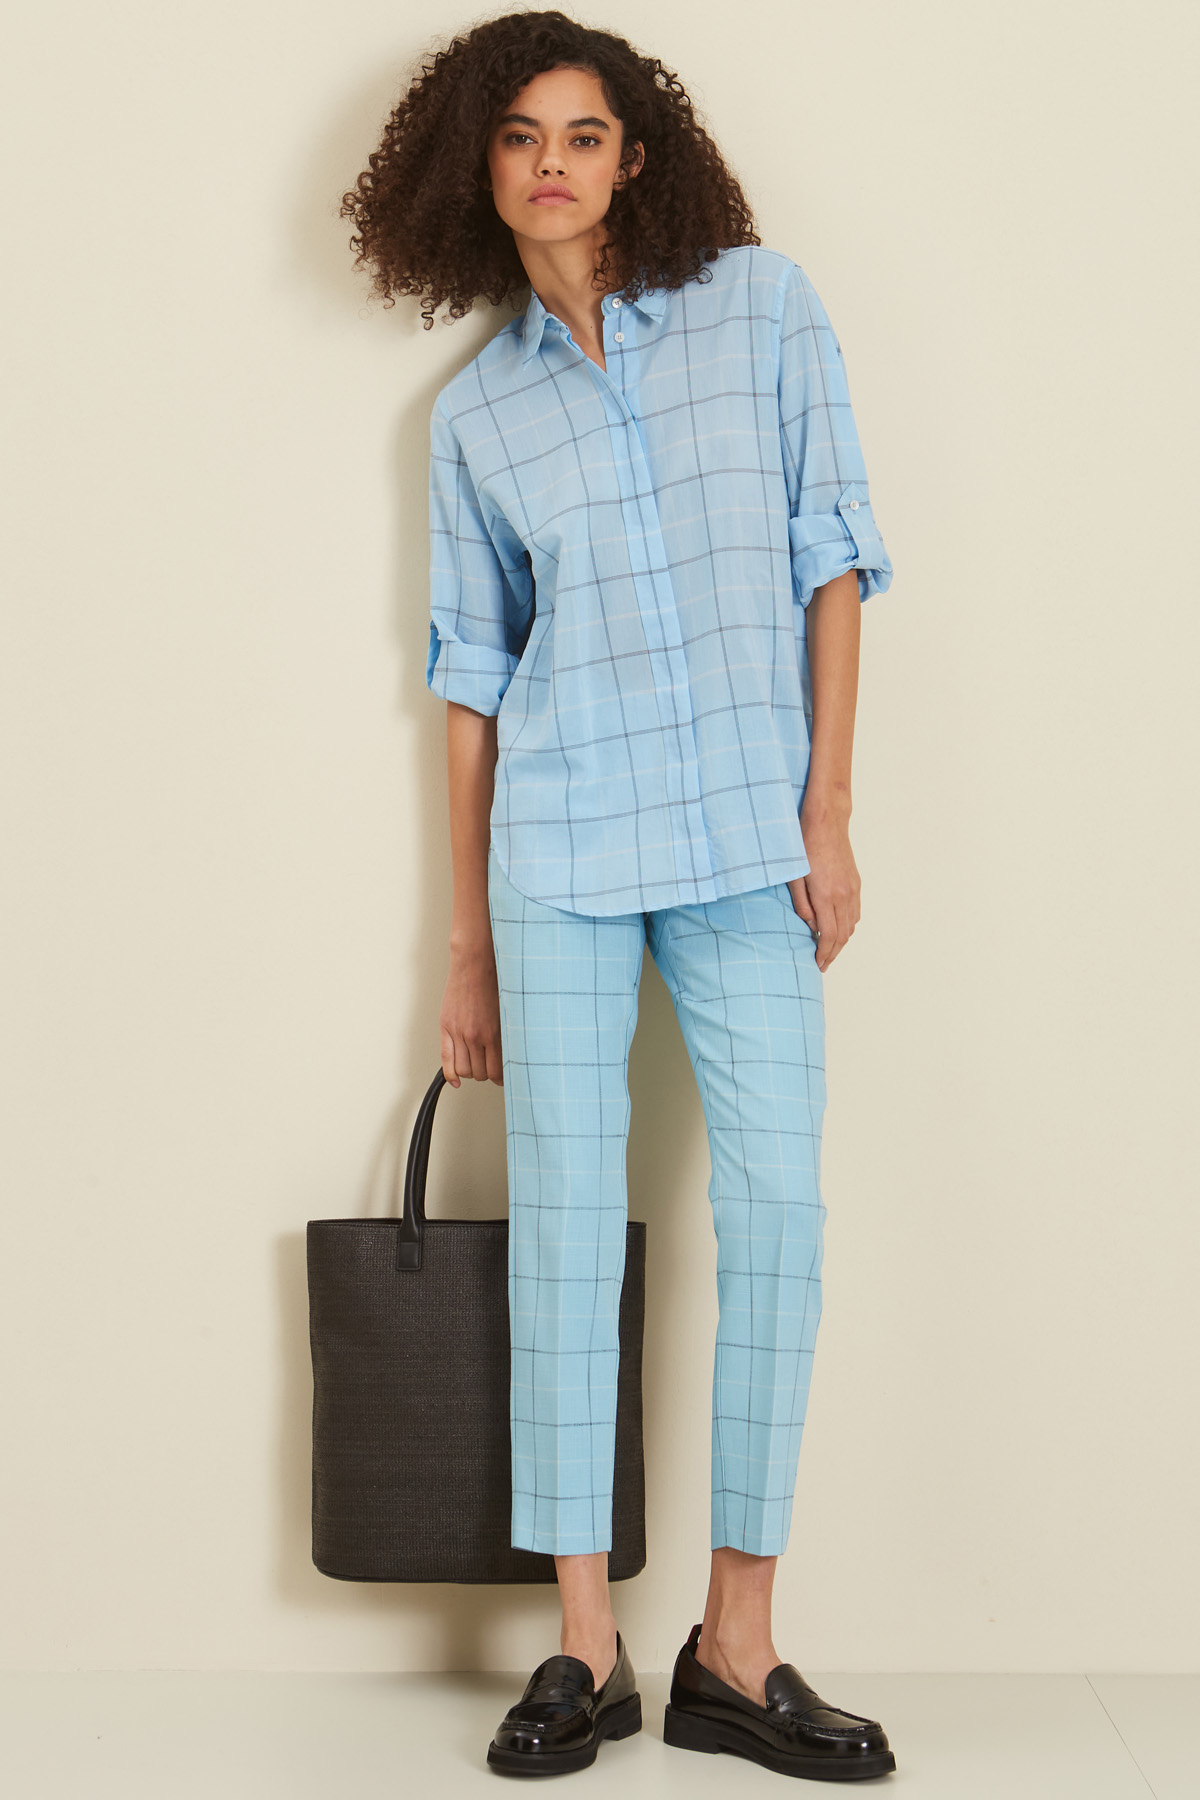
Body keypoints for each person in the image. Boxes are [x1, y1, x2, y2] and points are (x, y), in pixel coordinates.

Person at [341, 9, 897, 1783]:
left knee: (780, 1211)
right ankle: (584, 1644)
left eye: (583, 134)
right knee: (567, 1237)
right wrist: (467, 946)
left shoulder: (764, 309)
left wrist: (827, 810)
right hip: (564, 859)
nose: (552, 164)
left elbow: (833, 556)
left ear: (635, 156)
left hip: (746, 843)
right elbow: (473, 683)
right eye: (520, 137)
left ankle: (738, 1643)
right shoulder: (478, 415)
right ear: (478, 168)